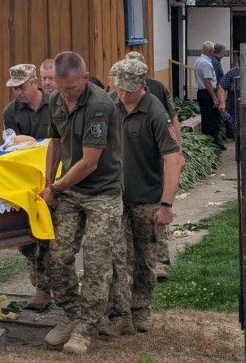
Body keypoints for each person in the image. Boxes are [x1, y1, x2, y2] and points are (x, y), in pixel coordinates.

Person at [41, 51, 123, 355]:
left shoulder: (100, 105)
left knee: (96, 261)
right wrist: (48, 185)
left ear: (85, 78)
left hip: (102, 192)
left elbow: (89, 162)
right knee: (58, 256)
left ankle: (86, 329)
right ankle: (73, 315)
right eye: (60, 88)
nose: (65, 94)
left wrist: (56, 187)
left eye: (72, 88)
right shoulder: (56, 100)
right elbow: (54, 143)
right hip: (69, 190)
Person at [102, 57, 180, 336]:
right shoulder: (109, 104)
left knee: (145, 258)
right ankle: (119, 312)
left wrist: (166, 204)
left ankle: (141, 309)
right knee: (115, 255)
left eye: (129, 90)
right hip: (114, 195)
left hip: (146, 196)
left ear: (142, 85)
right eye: (120, 88)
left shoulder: (155, 112)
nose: (123, 95)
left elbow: (173, 159)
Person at [125, 51, 185, 279]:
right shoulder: (120, 92)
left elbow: (173, 119)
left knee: (157, 203)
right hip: (133, 156)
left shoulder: (157, 88)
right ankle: (137, 260)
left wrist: (178, 152)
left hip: (158, 153)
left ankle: (159, 257)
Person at [3, 63, 52, 309]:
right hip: (26, 177)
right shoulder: (11, 112)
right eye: (15, 88)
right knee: (26, 236)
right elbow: (13, 146)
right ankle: (40, 279)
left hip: (55, 174)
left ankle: (47, 288)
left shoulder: (56, 103)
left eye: (22, 87)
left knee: (51, 237)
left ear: (35, 82)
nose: (18, 92)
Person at [193, 41, 226, 150]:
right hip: (207, 92)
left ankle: (210, 140)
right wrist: (214, 98)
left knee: (207, 117)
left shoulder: (199, 60)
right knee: (210, 119)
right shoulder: (205, 63)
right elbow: (208, 82)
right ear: (210, 51)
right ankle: (212, 142)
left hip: (202, 92)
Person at [220, 59, 240, 139]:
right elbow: (222, 86)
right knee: (234, 127)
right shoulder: (232, 72)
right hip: (233, 105)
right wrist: (222, 102)